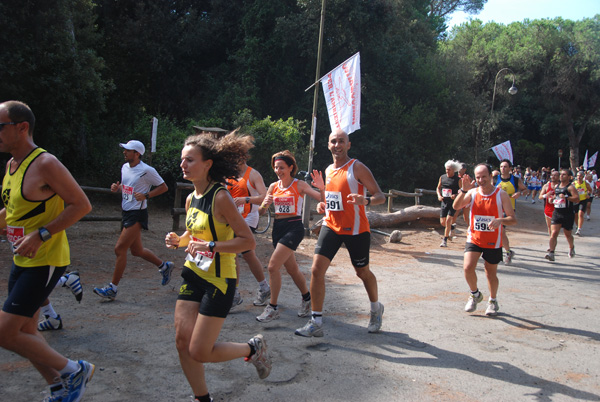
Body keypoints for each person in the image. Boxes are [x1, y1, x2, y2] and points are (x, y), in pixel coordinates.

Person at [164, 132, 271, 402]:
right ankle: (203, 398)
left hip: (219, 281)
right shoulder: (191, 199)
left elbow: (247, 241)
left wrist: (211, 246)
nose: (183, 165)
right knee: (181, 342)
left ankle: (252, 348)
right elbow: (194, 236)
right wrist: (179, 241)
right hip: (193, 274)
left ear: (207, 164)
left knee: (199, 351)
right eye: (182, 160)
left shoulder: (221, 197)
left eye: (190, 160)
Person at [0, 100, 94, 401]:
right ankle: (58, 386)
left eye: (0, 126)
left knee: (5, 332)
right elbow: (12, 210)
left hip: (46, 259)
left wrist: (41, 234)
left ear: (21, 127)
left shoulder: (45, 164)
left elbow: (81, 205)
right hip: (22, 259)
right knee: (27, 331)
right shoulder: (12, 165)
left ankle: (74, 369)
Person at [295, 129, 386, 337]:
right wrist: (323, 205)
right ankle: (315, 322)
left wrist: (368, 201)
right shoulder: (328, 170)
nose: (337, 145)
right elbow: (332, 199)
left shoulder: (358, 168)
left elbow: (379, 195)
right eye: (333, 141)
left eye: (341, 141)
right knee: (317, 270)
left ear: (348, 144)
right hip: (331, 226)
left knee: (362, 272)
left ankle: (375, 309)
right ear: (328, 145)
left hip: (356, 229)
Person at [93, 140, 173, 300]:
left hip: (137, 213)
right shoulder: (125, 168)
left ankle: (112, 289)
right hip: (127, 211)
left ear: (137, 153)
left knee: (119, 249)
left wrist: (147, 195)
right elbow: (128, 187)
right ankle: (164, 266)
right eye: (124, 150)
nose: (124, 152)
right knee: (137, 251)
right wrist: (118, 188)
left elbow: (164, 187)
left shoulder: (147, 170)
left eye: (128, 150)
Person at [255, 151, 323, 323]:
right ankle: (307, 299)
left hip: (294, 228)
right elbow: (261, 211)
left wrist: (322, 188)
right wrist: (265, 203)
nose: (278, 170)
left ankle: (273, 307)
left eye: (282, 167)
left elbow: (319, 197)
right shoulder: (273, 187)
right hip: (278, 229)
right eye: (276, 167)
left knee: (272, 267)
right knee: (292, 269)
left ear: (291, 168)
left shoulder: (299, 185)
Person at [453, 163, 517, 316]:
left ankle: (493, 300)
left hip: (493, 241)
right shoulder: (473, 193)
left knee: (490, 273)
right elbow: (456, 206)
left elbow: (512, 219)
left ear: (490, 177)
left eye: (484, 177)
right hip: (474, 238)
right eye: (478, 177)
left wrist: (500, 221)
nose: (481, 180)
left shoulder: (501, 195)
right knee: (467, 268)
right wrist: (463, 189)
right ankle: (475, 295)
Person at [225, 157, 270, 310]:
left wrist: (246, 199)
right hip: (233, 218)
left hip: (249, 218)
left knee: (233, 252)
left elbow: (265, 197)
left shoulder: (253, 174)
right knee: (248, 254)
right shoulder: (228, 174)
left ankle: (234, 294)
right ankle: (264, 287)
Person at [495, 159, 527, 265]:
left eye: (505, 167)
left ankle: (507, 252)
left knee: (501, 230)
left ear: (509, 169)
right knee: (497, 231)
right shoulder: (495, 179)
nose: (502, 169)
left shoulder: (515, 180)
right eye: (501, 167)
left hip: (508, 209)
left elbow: (525, 190)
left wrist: (519, 194)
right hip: (495, 208)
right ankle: (506, 251)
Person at [545, 168, 579, 262]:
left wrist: (567, 197)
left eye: (564, 174)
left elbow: (577, 199)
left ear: (569, 177)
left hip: (567, 214)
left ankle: (571, 247)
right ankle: (551, 253)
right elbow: (555, 196)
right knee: (554, 233)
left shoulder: (570, 187)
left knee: (568, 234)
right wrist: (551, 199)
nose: (561, 176)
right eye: (561, 174)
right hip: (557, 213)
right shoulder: (557, 186)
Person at [436, 160, 461, 247]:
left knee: (448, 220)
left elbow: (462, 191)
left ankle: (444, 240)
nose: (447, 171)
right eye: (446, 169)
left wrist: (456, 195)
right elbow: (438, 188)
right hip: (444, 202)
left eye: (449, 169)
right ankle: (452, 228)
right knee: (443, 222)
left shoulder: (458, 180)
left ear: (453, 170)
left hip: (453, 203)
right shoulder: (442, 177)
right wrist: (439, 196)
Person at [539, 170, 560, 236]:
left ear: (559, 177)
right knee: (550, 227)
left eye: (555, 175)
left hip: (558, 210)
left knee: (555, 229)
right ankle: (552, 242)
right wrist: (546, 195)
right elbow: (540, 197)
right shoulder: (546, 186)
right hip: (548, 209)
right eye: (552, 175)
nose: (553, 177)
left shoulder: (561, 186)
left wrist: (556, 197)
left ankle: (553, 240)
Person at [573, 170, 592, 236]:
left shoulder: (585, 183)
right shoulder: (574, 183)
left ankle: (579, 229)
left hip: (583, 200)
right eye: (578, 176)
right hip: (576, 200)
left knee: (580, 214)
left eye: (580, 176)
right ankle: (577, 225)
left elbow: (590, 190)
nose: (579, 177)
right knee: (575, 215)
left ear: (583, 177)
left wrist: (588, 194)